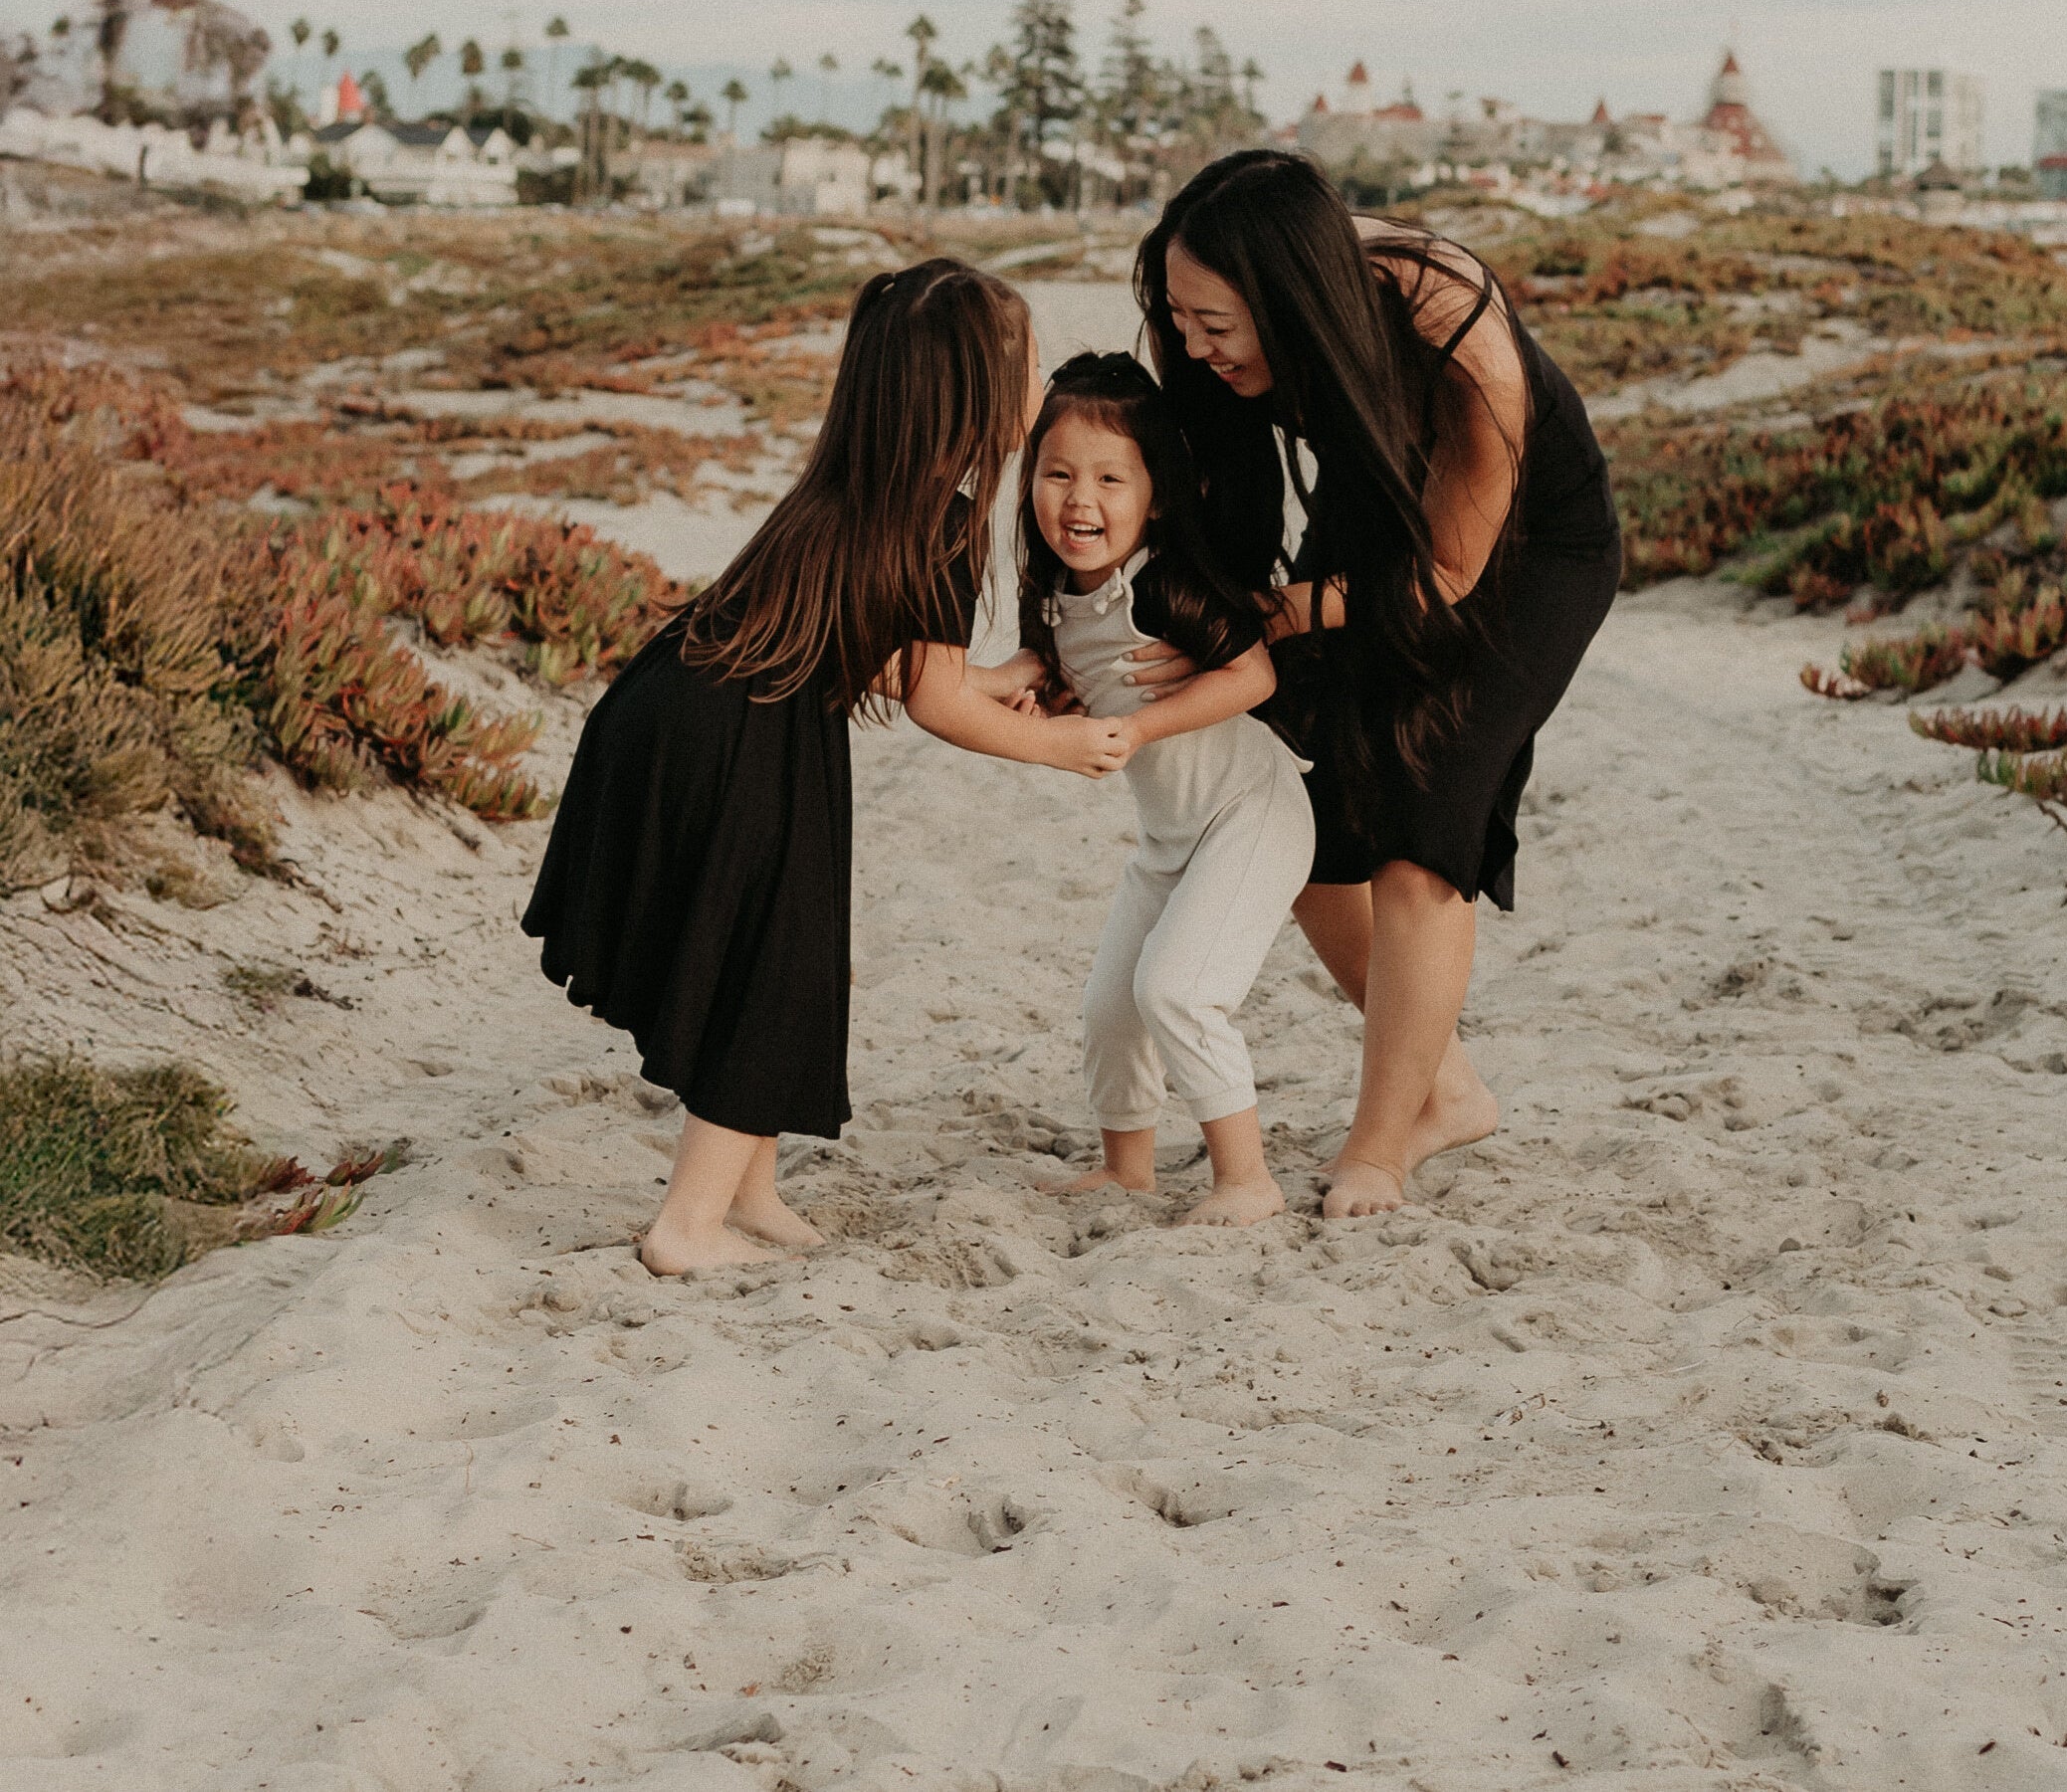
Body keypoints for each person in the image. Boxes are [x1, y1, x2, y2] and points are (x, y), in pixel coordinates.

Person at [522, 259, 1126, 1276]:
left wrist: (988, 675)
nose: (1040, 386)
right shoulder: (945, 516)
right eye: (1026, 369)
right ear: (977, 396)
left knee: (781, 949)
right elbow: (929, 702)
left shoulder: (858, 484)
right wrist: (1057, 744)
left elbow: (877, 653)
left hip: (679, 707)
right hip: (739, 738)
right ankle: (688, 1226)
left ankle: (749, 1190)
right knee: (771, 967)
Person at [1135, 150, 1622, 1219]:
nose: (1194, 346)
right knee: (1289, 813)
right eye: (1178, 317)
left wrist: (1282, 613)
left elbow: (1449, 574)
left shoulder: (1452, 333)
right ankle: (1444, 1085)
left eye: (1217, 323)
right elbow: (1215, 504)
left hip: (1528, 547)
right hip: (1379, 511)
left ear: (1294, 296)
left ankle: (1382, 1143)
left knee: (1421, 819)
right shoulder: (1220, 335)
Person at [1017, 353, 1314, 1227]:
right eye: (1057, 473)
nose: (1080, 501)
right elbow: (1074, 677)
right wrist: (1052, 695)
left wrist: (1139, 726)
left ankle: (1246, 1178)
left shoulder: (1164, 582)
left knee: (1176, 990)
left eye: (1111, 478)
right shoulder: (1054, 590)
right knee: (1111, 1005)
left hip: (1248, 813)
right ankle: (1128, 1168)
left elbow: (1253, 675)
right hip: (1169, 836)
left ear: (1154, 494)